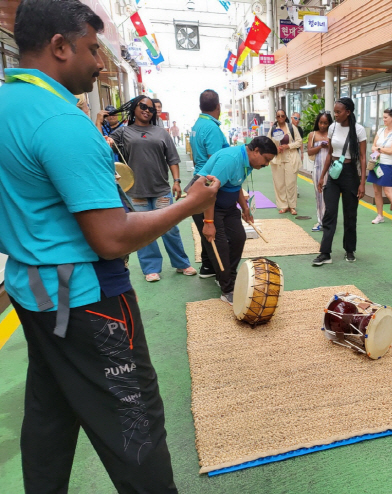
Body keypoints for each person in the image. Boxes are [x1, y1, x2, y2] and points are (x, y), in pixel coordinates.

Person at [0, 2, 220, 492]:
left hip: (33, 290)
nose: (101, 62)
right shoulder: (59, 121)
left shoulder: (6, 105)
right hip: (87, 299)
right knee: (134, 420)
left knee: (51, 408)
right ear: (59, 46)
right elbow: (111, 236)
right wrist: (190, 203)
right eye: (92, 48)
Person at [111, 96, 197, 281]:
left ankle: (182, 263)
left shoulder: (161, 133)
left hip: (161, 189)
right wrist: (99, 120)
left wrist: (177, 181)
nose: (147, 110)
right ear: (134, 108)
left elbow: (172, 159)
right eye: (142, 106)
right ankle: (150, 268)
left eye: (150, 108)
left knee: (169, 227)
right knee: (142, 231)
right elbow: (100, 142)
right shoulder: (123, 132)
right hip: (135, 191)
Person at [195, 137, 278, 305]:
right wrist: (208, 222)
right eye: (266, 160)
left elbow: (236, 184)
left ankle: (225, 275)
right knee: (220, 245)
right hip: (206, 202)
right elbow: (208, 192)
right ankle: (227, 289)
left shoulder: (249, 161)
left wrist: (245, 207)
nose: (267, 164)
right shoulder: (231, 159)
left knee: (239, 237)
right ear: (255, 151)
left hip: (228, 204)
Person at [313, 97, 367, 266]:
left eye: (338, 112)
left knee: (350, 214)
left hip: (350, 174)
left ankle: (349, 250)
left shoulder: (358, 130)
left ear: (348, 112)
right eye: (334, 111)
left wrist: (362, 182)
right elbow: (329, 153)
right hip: (334, 173)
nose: (335, 115)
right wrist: (322, 176)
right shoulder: (332, 127)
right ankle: (325, 253)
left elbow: (363, 158)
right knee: (330, 212)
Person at [190, 89, 230, 279]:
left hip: (197, 179)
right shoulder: (212, 128)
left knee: (206, 227)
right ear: (218, 106)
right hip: (208, 181)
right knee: (214, 229)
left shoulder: (198, 124)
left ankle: (207, 266)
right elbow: (215, 163)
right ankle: (220, 272)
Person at [368, 107, 392, 227]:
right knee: (376, 190)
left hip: (387, 165)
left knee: (388, 191)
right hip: (376, 163)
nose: (383, 119)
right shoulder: (380, 131)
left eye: (386, 117)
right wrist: (379, 149)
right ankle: (380, 215)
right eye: (383, 117)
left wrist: (379, 149)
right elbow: (372, 147)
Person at [268, 109, 302, 214]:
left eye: (282, 116)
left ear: (285, 116)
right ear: (276, 117)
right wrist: (276, 148)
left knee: (291, 183)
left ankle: (292, 206)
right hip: (277, 159)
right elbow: (268, 142)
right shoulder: (273, 129)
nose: (280, 118)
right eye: (278, 116)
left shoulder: (292, 128)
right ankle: (283, 205)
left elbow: (299, 141)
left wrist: (288, 146)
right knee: (279, 184)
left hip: (291, 159)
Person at [307, 111, 333, 232]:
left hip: (331, 168)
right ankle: (321, 220)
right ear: (318, 122)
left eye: (325, 123)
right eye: (321, 122)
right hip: (318, 168)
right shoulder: (313, 134)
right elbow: (309, 152)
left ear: (329, 124)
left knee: (330, 196)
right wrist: (320, 146)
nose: (323, 125)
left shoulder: (332, 134)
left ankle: (329, 220)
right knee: (319, 194)